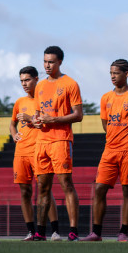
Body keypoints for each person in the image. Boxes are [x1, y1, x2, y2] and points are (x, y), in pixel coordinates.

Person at [83, 59, 128, 242]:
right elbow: (106, 124)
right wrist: (115, 138)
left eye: (116, 73)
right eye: (111, 73)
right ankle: (96, 232)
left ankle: (123, 232)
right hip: (109, 150)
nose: (112, 76)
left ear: (126, 74)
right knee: (99, 189)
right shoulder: (106, 98)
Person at [33, 45, 84, 241]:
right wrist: (37, 121)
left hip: (61, 140)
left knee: (66, 184)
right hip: (42, 141)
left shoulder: (70, 84)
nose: (47, 65)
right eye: (45, 61)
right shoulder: (39, 86)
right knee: (43, 188)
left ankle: (73, 231)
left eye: (51, 61)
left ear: (60, 62)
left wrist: (54, 120)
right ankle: (40, 231)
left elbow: (79, 115)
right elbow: (38, 115)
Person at [12, 66, 56, 241]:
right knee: (25, 191)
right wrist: (14, 134)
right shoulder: (19, 102)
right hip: (21, 151)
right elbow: (12, 123)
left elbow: (47, 123)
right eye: (22, 80)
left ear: (36, 79)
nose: (24, 83)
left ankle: (54, 230)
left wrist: (31, 119)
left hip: (39, 150)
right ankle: (30, 231)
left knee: (45, 190)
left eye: (27, 80)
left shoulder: (44, 99)